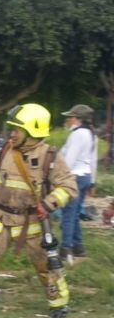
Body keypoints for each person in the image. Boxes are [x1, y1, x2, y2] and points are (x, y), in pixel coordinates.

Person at [0, 104, 77, 318]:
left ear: (32, 131)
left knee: (45, 264)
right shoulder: (4, 150)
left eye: (17, 130)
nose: (12, 134)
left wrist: (48, 204)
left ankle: (58, 303)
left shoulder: (49, 157)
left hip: (33, 221)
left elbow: (69, 187)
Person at [59, 104, 98, 264]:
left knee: (68, 214)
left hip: (73, 177)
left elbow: (69, 160)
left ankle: (66, 248)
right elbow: (93, 160)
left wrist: (60, 178)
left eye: (70, 117)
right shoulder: (91, 134)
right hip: (85, 176)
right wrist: (93, 182)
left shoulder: (77, 135)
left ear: (78, 119)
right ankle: (79, 247)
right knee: (74, 214)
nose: (68, 120)